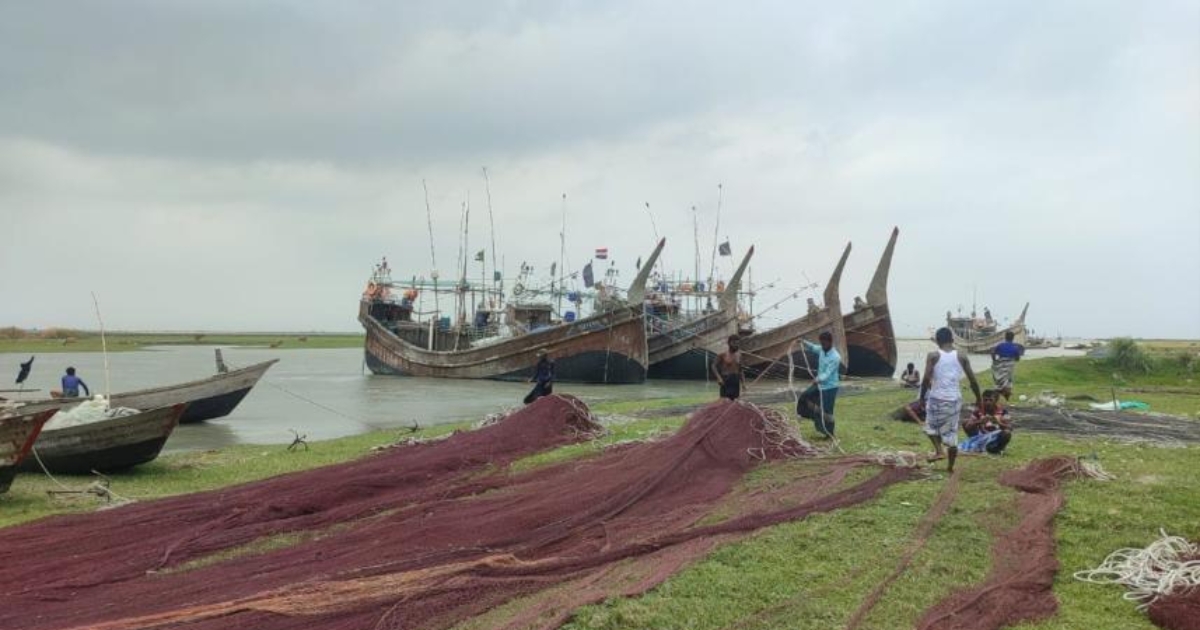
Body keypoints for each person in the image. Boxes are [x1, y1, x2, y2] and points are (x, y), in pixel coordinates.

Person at [920, 327, 982, 473]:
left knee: (930, 427)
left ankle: (939, 451)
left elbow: (925, 379)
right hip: (954, 399)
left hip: (936, 398)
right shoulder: (962, 356)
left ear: (937, 341)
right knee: (952, 433)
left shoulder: (933, 356)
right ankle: (950, 467)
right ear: (952, 340)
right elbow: (973, 380)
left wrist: (922, 397)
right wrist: (979, 398)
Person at [796, 331, 841, 438]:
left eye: (824, 343)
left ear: (830, 342)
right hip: (820, 384)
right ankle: (810, 416)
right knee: (805, 396)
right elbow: (812, 348)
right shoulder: (821, 349)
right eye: (821, 343)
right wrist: (802, 342)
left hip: (830, 387)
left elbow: (828, 373)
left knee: (827, 411)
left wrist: (818, 379)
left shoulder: (836, 357)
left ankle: (829, 434)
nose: (822, 346)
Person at [960, 389, 1013, 454]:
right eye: (985, 400)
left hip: (995, 437)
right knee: (965, 421)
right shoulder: (978, 411)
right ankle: (978, 444)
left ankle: (997, 448)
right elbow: (968, 426)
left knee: (1007, 433)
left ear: (996, 401)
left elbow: (1010, 427)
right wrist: (979, 422)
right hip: (981, 436)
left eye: (990, 400)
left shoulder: (1003, 412)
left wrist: (998, 423)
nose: (988, 402)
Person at [991, 331, 1025, 400]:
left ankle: (998, 392)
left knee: (998, 380)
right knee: (1008, 381)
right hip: (1009, 365)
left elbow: (993, 352)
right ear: (1013, 338)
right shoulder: (1015, 347)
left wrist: (994, 360)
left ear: (1005, 337)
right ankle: (1007, 396)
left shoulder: (1000, 345)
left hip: (1000, 364)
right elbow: (1017, 358)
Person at [712, 335, 744, 400]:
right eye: (734, 343)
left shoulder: (739, 355)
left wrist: (743, 384)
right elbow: (713, 366)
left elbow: (740, 370)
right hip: (726, 380)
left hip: (735, 381)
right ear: (729, 343)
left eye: (738, 343)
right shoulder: (722, 354)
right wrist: (719, 378)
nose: (736, 345)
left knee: (734, 402)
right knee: (724, 401)